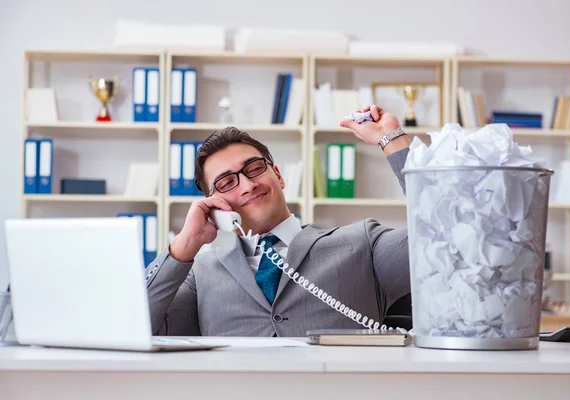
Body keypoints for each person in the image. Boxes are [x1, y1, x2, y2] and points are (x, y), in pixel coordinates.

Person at [145, 105, 412, 337]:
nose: (247, 185)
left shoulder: (362, 243)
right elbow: (136, 330)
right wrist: (183, 246)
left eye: (254, 169)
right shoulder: (200, 274)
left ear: (279, 177)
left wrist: (393, 140)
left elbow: (445, 237)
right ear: (212, 205)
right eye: (227, 182)